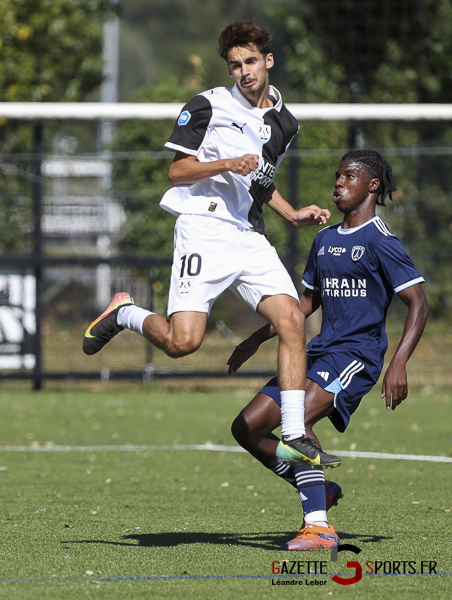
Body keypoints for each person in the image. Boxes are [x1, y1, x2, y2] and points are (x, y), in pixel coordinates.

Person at [82, 21, 340, 467]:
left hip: (249, 235)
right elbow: (177, 171)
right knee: (183, 343)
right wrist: (226, 163)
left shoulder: (286, 122)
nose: (244, 72)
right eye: (235, 65)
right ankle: (125, 313)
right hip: (203, 226)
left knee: (292, 321)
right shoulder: (207, 105)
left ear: (268, 60)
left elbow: (260, 181)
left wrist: (292, 213)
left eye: (251, 61)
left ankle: (295, 432)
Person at [228, 150, 428, 550]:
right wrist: (256, 338)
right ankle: (320, 490)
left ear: (372, 185)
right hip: (319, 352)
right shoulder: (324, 239)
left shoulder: (380, 240)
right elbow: (303, 306)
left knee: (297, 422)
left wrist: (399, 362)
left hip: (356, 357)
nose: (338, 182)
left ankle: (318, 527)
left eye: (349, 176)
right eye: (338, 175)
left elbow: (418, 303)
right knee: (247, 427)